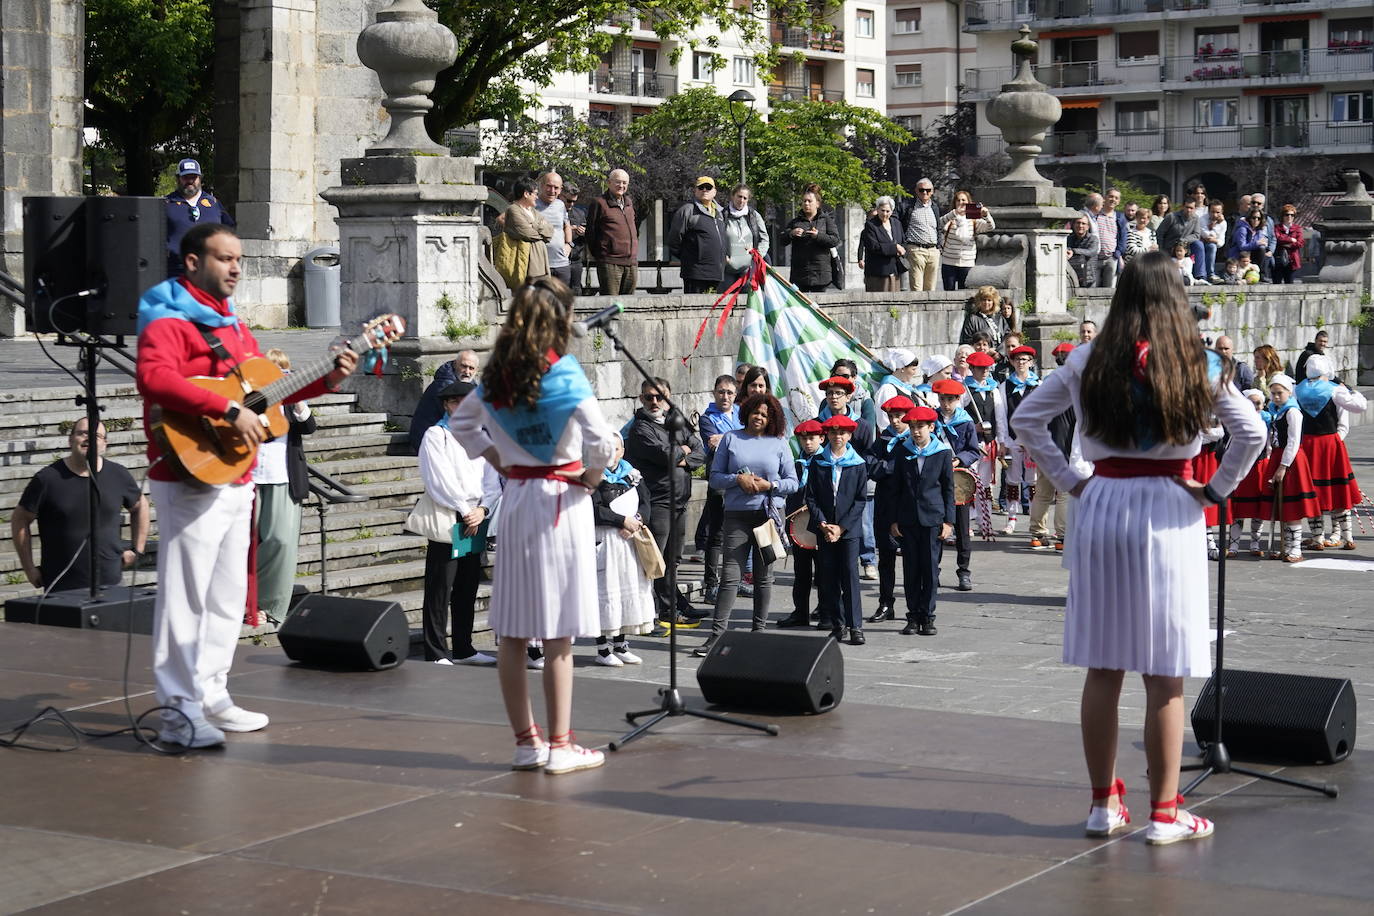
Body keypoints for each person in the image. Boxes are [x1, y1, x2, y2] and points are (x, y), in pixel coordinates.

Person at [1010, 250, 1265, 847]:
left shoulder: (1087, 357)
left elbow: (1027, 420)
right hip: (1171, 508)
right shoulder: (1198, 362)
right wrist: (1217, 490)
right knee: (1164, 672)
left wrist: (1071, 480)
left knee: (1104, 665)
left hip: (1101, 506)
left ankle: (1103, 804)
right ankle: (1166, 813)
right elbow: (1251, 431)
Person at [136, 223, 357, 748]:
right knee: (184, 598)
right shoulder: (167, 316)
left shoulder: (233, 325)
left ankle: (211, 694)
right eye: (225, 258)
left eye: (239, 258)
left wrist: (328, 378)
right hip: (187, 473)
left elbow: (266, 392)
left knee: (227, 595)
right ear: (192, 262)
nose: (237, 267)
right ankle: (177, 712)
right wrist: (227, 409)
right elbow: (155, 379)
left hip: (237, 472)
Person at [450, 275, 615, 775]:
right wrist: (590, 478)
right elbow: (603, 442)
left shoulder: (497, 375)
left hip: (519, 498)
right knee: (559, 631)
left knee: (514, 631)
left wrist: (500, 461)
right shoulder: (564, 373)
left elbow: (461, 424)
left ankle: (527, 743)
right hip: (562, 499)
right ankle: (561, 745)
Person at [698, 392, 798, 655]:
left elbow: (793, 482)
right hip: (737, 516)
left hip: (768, 517)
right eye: (756, 412)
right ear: (747, 413)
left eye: (765, 415)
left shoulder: (779, 443)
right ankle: (716, 635)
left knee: (764, 578)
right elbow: (715, 478)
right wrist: (736, 480)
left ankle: (759, 633)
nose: (759, 417)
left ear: (772, 418)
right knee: (730, 576)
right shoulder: (731, 438)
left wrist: (771, 485)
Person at [418, 379, 501, 666]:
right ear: (446, 405)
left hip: (476, 514)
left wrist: (484, 508)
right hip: (451, 514)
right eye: (455, 403)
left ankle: (463, 647)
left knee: (468, 584)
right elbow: (438, 479)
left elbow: (492, 480)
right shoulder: (436, 435)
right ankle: (436, 649)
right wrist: (466, 509)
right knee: (441, 584)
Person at [13, 417, 149, 592]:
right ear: (70, 440)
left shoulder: (118, 475)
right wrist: (29, 568)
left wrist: (137, 550)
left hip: (111, 583)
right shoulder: (47, 479)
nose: (89, 438)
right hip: (61, 586)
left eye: (96, 436)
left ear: (105, 444)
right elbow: (20, 519)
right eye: (82, 433)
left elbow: (140, 506)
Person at [626, 376, 705, 629]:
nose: (654, 401)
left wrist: (681, 455)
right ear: (641, 399)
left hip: (680, 501)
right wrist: (682, 452)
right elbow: (664, 455)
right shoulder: (641, 428)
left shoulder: (677, 423)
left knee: (673, 558)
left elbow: (701, 451)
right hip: (659, 501)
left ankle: (674, 604)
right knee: (656, 560)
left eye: (660, 396)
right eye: (648, 397)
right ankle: (659, 611)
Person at [251, 349, 315, 622]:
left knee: (280, 540)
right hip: (251, 478)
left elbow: (309, 427)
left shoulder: (290, 403)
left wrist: (299, 401)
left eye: (284, 373)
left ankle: (268, 603)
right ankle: (246, 602)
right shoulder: (250, 399)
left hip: (282, 477)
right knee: (247, 543)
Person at [882, 405, 953, 637]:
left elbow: (948, 489)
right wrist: (893, 520)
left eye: (920, 427)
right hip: (908, 519)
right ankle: (912, 616)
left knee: (930, 570)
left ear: (931, 427)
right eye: (912, 427)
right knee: (911, 569)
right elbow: (895, 489)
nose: (916, 432)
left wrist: (948, 521)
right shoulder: (903, 451)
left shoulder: (941, 452)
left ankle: (928, 616)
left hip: (933, 518)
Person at [1235, 376, 1320, 562]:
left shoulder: (1293, 413)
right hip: (1277, 457)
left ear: (1289, 393)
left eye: (1279, 393)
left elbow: (1294, 441)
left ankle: (1295, 548)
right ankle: (1285, 546)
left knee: (1292, 505)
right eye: (1273, 393)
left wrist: (1283, 466)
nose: (1275, 396)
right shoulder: (1277, 411)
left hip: (1291, 461)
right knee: (1281, 505)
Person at [589, 435, 656, 665]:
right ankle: (602, 649)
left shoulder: (633, 475)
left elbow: (646, 502)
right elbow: (594, 509)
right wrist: (621, 521)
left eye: (615, 449)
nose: (611, 453)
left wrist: (636, 521)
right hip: (605, 540)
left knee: (627, 589)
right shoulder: (592, 476)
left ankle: (620, 644)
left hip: (630, 540)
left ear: (622, 450)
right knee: (605, 591)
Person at [807, 414, 869, 645]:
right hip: (825, 530)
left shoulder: (858, 464)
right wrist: (823, 524)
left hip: (848, 530)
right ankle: (837, 624)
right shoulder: (818, 462)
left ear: (849, 435)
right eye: (833, 433)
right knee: (829, 577)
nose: (837, 437)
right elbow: (811, 497)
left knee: (850, 577)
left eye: (842, 433)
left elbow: (860, 500)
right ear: (827, 435)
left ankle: (855, 626)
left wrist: (841, 527)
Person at [1296, 354, 1367, 550]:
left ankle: (1317, 537)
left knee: (1313, 490)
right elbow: (1360, 407)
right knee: (1338, 489)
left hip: (1307, 444)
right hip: (1330, 443)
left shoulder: (1297, 389)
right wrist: (1351, 390)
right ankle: (1347, 537)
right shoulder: (1335, 390)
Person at [866, 395, 916, 624]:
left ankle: (915, 606)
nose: (895, 421)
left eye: (900, 416)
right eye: (891, 416)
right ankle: (886, 602)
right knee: (885, 558)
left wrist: (889, 469)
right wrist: (892, 468)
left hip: (909, 507)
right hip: (886, 506)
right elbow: (872, 466)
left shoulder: (915, 440)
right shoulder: (882, 440)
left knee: (912, 559)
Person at [777, 419, 826, 628]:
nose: (807, 443)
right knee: (801, 572)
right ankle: (800, 612)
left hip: (822, 525)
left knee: (825, 572)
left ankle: (826, 610)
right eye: (803, 439)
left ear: (821, 438)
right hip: (799, 526)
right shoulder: (797, 464)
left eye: (812, 438)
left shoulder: (826, 462)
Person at [698, 374, 742, 603]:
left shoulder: (740, 413)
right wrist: (739, 438)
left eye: (729, 393)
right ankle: (711, 584)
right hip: (721, 478)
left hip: (742, 478)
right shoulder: (707, 418)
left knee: (738, 532)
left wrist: (728, 438)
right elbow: (713, 443)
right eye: (721, 392)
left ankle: (735, 580)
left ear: (735, 396)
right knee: (716, 532)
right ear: (714, 393)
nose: (725, 396)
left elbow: (729, 441)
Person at [932, 379, 979, 590]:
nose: (945, 404)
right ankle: (934, 570)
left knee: (962, 528)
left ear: (958, 400)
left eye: (950, 399)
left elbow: (973, 450)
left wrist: (959, 459)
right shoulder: (932, 420)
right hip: (935, 480)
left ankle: (964, 572)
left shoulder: (966, 422)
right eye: (942, 399)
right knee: (936, 528)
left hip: (958, 481)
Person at [994, 344, 1039, 534]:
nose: (1021, 363)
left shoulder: (1038, 385)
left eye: (1025, 359)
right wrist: (1002, 441)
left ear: (1031, 362)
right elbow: (1001, 416)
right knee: (1012, 479)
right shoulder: (1005, 386)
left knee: (1033, 480)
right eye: (1017, 359)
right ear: (1011, 362)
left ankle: (1035, 518)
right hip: (1013, 439)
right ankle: (1012, 517)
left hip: (1032, 441)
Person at [164, 157, 235, 277]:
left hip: (209, 270)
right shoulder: (167, 203)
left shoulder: (213, 203)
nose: (190, 181)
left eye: (194, 177)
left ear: (200, 179)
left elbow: (229, 230)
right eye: (185, 177)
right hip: (176, 270)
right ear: (178, 179)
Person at [961, 351, 1003, 537]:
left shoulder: (994, 389)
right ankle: (968, 520)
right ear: (972, 369)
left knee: (985, 483)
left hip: (988, 443)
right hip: (972, 444)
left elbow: (1000, 418)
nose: (985, 371)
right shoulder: (965, 390)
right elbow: (959, 416)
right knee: (971, 482)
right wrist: (972, 427)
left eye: (987, 368)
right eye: (980, 368)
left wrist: (1001, 441)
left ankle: (984, 520)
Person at [408, 350, 481, 452]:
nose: (467, 371)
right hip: (430, 439)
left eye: (471, 368)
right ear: (455, 365)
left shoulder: (469, 384)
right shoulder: (445, 385)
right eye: (463, 366)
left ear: (476, 370)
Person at [583, 169, 639, 296]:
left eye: (624, 183)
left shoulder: (629, 203)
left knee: (629, 305)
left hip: (631, 262)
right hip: (610, 262)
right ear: (609, 183)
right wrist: (601, 253)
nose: (621, 186)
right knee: (611, 304)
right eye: (618, 182)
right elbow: (591, 232)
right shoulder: (599, 203)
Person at [667, 177, 727, 294]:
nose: (704, 190)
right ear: (695, 191)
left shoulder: (720, 213)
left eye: (708, 187)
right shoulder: (687, 210)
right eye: (701, 187)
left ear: (714, 192)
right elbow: (674, 240)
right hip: (695, 274)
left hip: (716, 274)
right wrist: (689, 257)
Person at [781, 184, 840, 293]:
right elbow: (782, 240)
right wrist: (791, 233)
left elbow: (835, 240)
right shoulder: (795, 222)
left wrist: (818, 236)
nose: (806, 203)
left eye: (809, 201)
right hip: (799, 275)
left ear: (817, 204)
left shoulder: (826, 220)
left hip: (821, 275)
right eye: (804, 201)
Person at [496, 179, 553, 288]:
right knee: (529, 293)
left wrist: (533, 225)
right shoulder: (513, 210)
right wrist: (541, 226)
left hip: (540, 259)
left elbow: (550, 231)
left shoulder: (533, 211)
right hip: (525, 260)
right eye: (536, 193)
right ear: (526, 194)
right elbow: (527, 233)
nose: (537, 197)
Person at [939, 190, 994, 290]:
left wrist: (986, 215)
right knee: (948, 293)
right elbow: (939, 223)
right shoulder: (951, 217)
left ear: (969, 202)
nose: (961, 203)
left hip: (967, 262)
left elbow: (990, 227)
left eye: (963, 201)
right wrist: (954, 213)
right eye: (958, 200)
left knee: (965, 293)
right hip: (949, 262)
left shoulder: (973, 220)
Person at [722, 184, 770, 282]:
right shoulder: (722, 215)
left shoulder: (754, 216)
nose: (742, 200)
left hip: (749, 269)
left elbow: (764, 238)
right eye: (739, 196)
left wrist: (758, 255)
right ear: (732, 196)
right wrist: (722, 257)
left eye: (745, 198)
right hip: (727, 269)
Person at [858, 196, 907, 292]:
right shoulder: (870, 225)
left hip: (894, 270)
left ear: (892, 211)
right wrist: (895, 248)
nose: (885, 214)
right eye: (882, 210)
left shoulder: (896, 223)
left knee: (895, 304)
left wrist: (902, 249)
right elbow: (874, 246)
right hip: (877, 272)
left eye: (888, 211)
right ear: (877, 210)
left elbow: (903, 242)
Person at [535, 172, 574, 287]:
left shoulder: (560, 205)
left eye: (556, 188)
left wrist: (569, 244)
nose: (552, 191)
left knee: (561, 301)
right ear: (541, 186)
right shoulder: (532, 203)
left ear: (561, 190)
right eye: (549, 186)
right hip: (540, 265)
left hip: (561, 264)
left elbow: (567, 225)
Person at [902, 178, 941, 292]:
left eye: (928, 190)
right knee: (917, 288)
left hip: (933, 250)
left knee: (931, 289)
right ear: (916, 191)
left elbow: (938, 227)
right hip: (916, 250)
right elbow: (898, 223)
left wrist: (939, 245)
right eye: (921, 190)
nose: (925, 193)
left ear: (932, 192)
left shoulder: (934, 207)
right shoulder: (909, 206)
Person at [1156, 199, 1205, 283]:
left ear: (1194, 209)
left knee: (1199, 244)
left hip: (1185, 248)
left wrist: (1184, 240)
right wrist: (1161, 250)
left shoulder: (1195, 218)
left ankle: (1200, 275)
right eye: (1187, 207)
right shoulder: (1171, 217)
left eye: (1191, 208)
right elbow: (1160, 233)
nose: (1189, 210)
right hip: (1170, 248)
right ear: (1183, 207)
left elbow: (1197, 235)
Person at [1084, 191, 1125, 288]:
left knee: (1110, 289)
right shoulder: (1095, 215)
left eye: (1116, 198)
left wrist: (1118, 253)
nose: (1113, 199)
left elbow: (1123, 238)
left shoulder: (1119, 217)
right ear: (1104, 198)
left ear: (1119, 201)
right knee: (1093, 288)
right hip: (1095, 258)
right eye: (1110, 196)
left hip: (1111, 258)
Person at [1227, 209, 1270, 275]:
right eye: (1254, 218)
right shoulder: (1242, 229)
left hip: (1249, 256)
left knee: (1262, 250)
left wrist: (1265, 245)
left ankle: (1262, 275)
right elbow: (1242, 246)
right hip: (1238, 255)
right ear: (1249, 218)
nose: (1256, 220)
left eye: (1259, 218)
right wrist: (1257, 243)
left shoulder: (1259, 230)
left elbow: (1262, 243)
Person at [562, 183, 587, 296]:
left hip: (576, 260)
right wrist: (569, 230)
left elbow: (588, 238)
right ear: (561, 196)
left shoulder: (579, 214)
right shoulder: (553, 212)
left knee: (576, 291)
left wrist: (584, 233)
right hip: (559, 260)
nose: (571, 204)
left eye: (574, 201)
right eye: (568, 201)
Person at [1272, 204, 1304, 285]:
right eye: (1287, 214)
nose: (1289, 217)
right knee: (1276, 283)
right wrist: (1291, 239)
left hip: (1292, 260)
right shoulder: (1276, 227)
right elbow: (1278, 239)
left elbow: (1300, 243)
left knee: (1290, 284)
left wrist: (1289, 245)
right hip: (1278, 259)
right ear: (1282, 216)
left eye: (1292, 215)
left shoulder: (1298, 228)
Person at [1198, 199, 1227, 284]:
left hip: (1211, 245)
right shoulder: (1202, 219)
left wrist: (1216, 225)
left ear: (1222, 212)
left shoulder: (1223, 223)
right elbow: (1206, 235)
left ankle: (1210, 274)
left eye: (1218, 212)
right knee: (1207, 245)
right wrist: (1216, 225)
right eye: (1212, 212)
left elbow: (1221, 242)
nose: (1215, 215)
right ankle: (1205, 274)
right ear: (1208, 211)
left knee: (1212, 246)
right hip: (1200, 242)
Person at [1066, 216, 1099, 288]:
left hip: (1088, 278)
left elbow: (1091, 252)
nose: (1080, 225)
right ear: (1073, 225)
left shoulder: (1093, 239)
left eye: (1083, 223)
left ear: (1087, 227)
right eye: (1078, 223)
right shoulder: (1069, 238)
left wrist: (1074, 251)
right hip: (1072, 276)